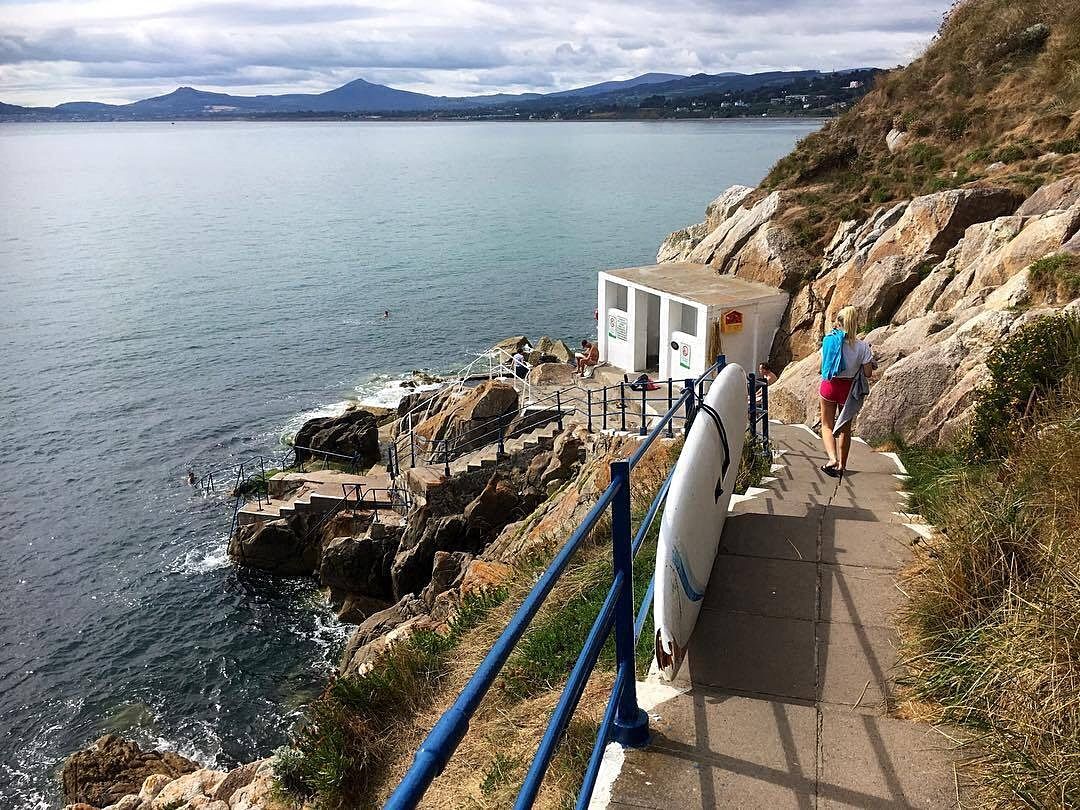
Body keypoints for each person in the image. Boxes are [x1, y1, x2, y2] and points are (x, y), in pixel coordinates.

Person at [819, 306, 874, 478]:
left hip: (829, 386)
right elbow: (868, 373)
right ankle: (842, 465)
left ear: (838, 323)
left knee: (826, 425)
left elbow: (822, 367)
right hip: (848, 390)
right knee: (845, 428)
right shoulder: (862, 347)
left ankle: (832, 459)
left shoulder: (829, 341)